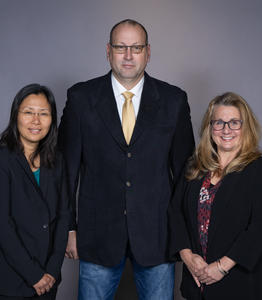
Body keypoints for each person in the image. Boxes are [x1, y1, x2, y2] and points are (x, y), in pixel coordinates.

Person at [58, 19, 194, 299]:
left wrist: (182, 236)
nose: (129, 55)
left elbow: (185, 175)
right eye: (121, 47)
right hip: (97, 234)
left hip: (157, 235)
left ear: (148, 52)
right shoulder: (81, 98)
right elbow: (66, 172)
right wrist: (69, 227)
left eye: (136, 47)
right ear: (108, 51)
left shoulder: (173, 101)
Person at [168, 92, 262, 300]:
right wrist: (187, 256)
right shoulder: (194, 167)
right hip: (197, 281)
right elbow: (176, 213)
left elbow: (259, 229)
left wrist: (221, 267)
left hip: (240, 283)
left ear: (246, 127)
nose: (226, 129)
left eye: (234, 123)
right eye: (218, 122)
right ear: (210, 128)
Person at [0, 84, 70, 300]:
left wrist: (51, 271)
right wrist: (34, 275)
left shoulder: (57, 161)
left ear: (52, 119)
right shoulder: (0, 163)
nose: (36, 121)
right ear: (16, 116)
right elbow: (3, 226)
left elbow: (64, 215)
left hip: (48, 280)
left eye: (44, 114)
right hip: (8, 280)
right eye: (28, 112)